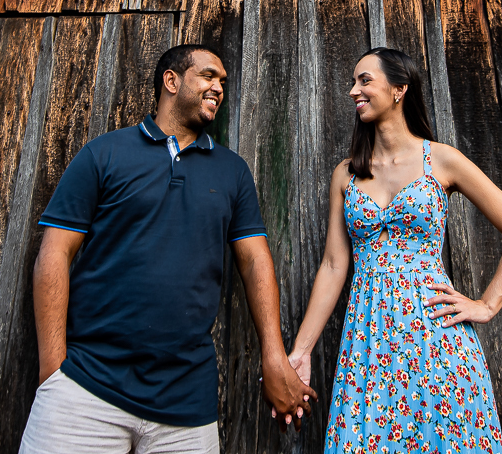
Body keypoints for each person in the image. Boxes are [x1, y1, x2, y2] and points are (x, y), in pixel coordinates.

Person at [20, 44, 316, 454]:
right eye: (209, 76)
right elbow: (54, 253)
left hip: (186, 403)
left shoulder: (232, 171)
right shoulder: (104, 154)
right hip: (87, 387)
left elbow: (253, 261)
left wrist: (275, 355)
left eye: (223, 82)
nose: (218, 87)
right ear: (171, 81)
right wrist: (53, 370)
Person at [287, 47, 502, 454]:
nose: (354, 91)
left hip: (436, 338)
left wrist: (487, 304)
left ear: (399, 88)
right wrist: (301, 351)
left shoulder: (442, 160)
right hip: (367, 342)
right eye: (353, 82)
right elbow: (334, 266)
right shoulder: (346, 173)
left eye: (364, 80)